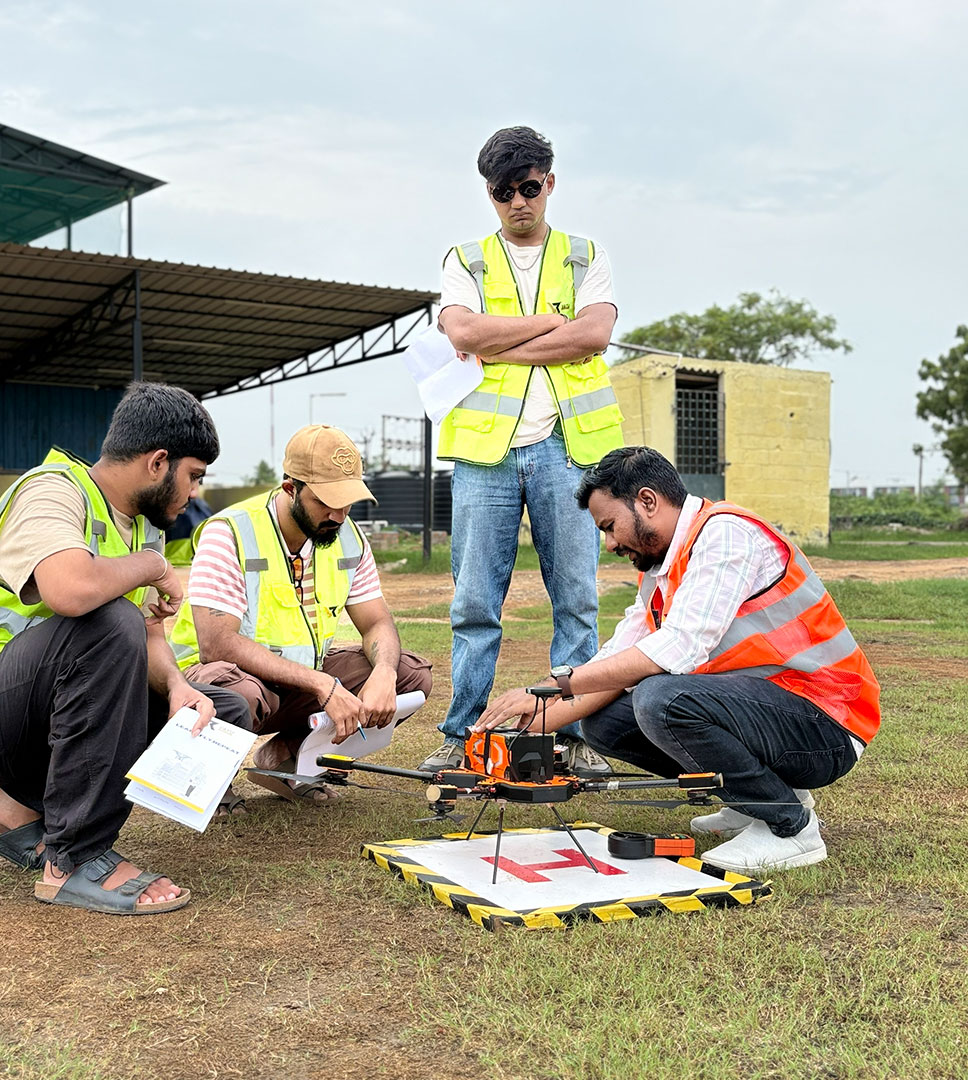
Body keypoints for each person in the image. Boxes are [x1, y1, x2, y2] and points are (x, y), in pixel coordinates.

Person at [0, 382, 251, 915]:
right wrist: (154, 569)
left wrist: (180, 687)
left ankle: (15, 804)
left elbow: (149, 639)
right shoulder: (52, 491)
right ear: (159, 462)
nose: (194, 491)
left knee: (221, 710)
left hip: (22, 716)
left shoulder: (142, 530)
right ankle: (75, 859)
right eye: (194, 475)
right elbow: (72, 591)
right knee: (110, 621)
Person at [475, 446, 880, 874]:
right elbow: (619, 658)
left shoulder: (725, 535)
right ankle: (755, 800)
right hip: (773, 711)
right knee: (604, 723)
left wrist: (556, 685)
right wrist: (528, 725)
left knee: (660, 699)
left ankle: (790, 827)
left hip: (827, 722)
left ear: (647, 501)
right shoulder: (661, 569)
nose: (610, 543)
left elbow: (676, 649)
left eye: (611, 527)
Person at [421, 125, 626, 777]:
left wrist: (498, 342)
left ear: (550, 183)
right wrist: (547, 324)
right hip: (487, 453)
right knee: (475, 602)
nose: (518, 202)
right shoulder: (466, 258)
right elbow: (462, 329)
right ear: (489, 194)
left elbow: (592, 335)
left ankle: (573, 735)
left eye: (529, 187)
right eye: (502, 192)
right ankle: (463, 735)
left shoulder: (585, 254)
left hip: (569, 449)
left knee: (577, 599)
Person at [171, 424, 432, 803]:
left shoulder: (348, 537)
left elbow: (376, 622)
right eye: (326, 502)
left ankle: (287, 760)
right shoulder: (229, 532)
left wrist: (385, 672)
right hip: (225, 681)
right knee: (237, 693)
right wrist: (323, 686)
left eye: (347, 502)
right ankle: (212, 781)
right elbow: (216, 644)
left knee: (411, 677)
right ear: (290, 488)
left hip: (299, 684)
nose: (339, 515)